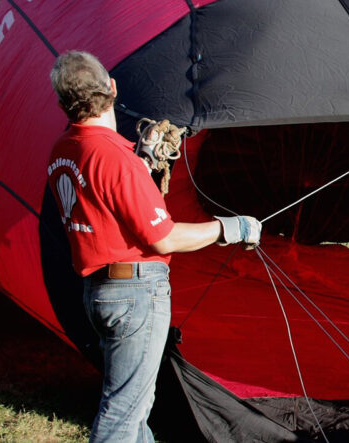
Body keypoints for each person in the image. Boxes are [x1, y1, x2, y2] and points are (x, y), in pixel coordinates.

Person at [45, 50, 261, 443]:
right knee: (123, 416)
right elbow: (163, 237)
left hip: (97, 291)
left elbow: (102, 197)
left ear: (63, 103)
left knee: (139, 409)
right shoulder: (115, 159)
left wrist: (141, 162)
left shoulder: (63, 149)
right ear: (112, 87)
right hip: (135, 294)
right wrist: (231, 228)